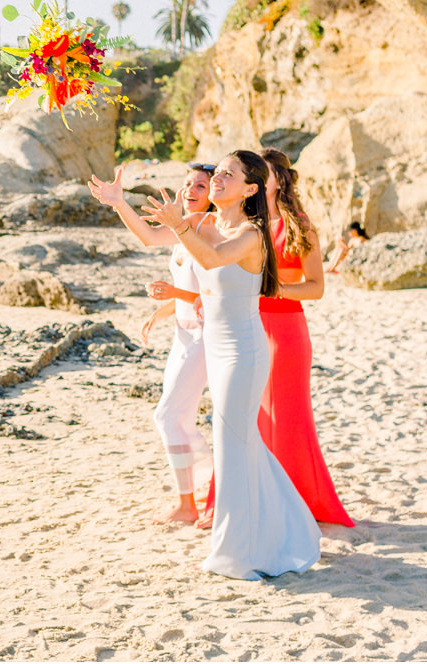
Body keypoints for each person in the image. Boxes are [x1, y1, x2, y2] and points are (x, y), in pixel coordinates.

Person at [138, 150, 321, 580]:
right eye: (216, 172)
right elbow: (190, 265)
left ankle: (235, 555)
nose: (217, 179)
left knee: (232, 443)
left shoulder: (252, 233)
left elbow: (213, 260)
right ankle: (290, 531)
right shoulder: (213, 225)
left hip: (243, 350)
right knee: (243, 445)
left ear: (251, 189)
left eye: (228, 175)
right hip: (216, 347)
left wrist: (179, 224)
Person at [93, 163, 216, 524]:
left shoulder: (206, 227)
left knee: (168, 416)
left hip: (204, 336)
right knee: (177, 417)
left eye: (201, 184)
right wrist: (118, 203)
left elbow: (216, 292)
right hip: (183, 333)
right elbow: (148, 237)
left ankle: (189, 501)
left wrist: (173, 293)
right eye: (188, 182)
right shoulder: (185, 227)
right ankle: (206, 488)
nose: (191, 189)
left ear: (213, 194)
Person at [257, 148, 353, 525]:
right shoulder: (244, 222)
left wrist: (272, 287)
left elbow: (315, 288)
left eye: (259, 173)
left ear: (277, 180)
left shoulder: (299, 225)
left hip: (285, 331)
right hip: (246, 328)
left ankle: (295, 502)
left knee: (290, 419)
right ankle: (257, 498)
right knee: (252, 418)